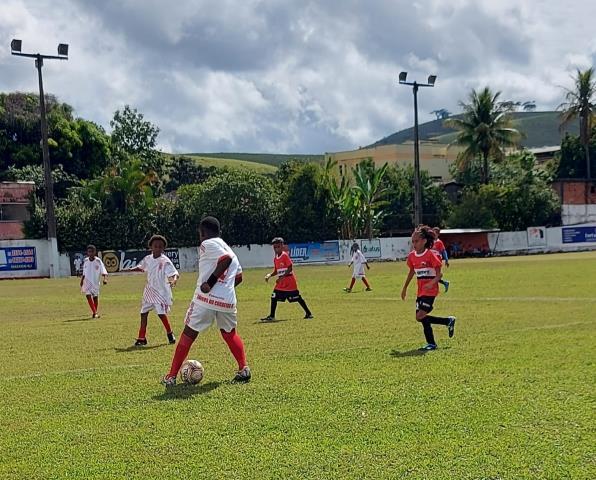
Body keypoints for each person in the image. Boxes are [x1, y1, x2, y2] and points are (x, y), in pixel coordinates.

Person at [161, 216, 250, 386]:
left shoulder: (207, 244)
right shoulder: (229, 248)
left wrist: (210, 283)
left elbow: (225, 260)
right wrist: (224, 290)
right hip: (228, 302)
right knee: (230, 334)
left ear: (202, 232)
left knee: (189, 334)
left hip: (205, 300)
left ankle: (171, 376)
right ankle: (243, 369)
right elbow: (239, 277)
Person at [401, 225, 456, 351]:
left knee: (420, 316)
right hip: (420, 291)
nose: (414, 244)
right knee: (420, 318)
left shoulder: (430, 255)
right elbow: (411, 272)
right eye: (412, 241)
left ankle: (446, 323)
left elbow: (439, 274)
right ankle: (433, 340)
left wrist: (432, 283)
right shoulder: (412, 256)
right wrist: (404, 288)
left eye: (416, 241)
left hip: (430, 291)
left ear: (424, 241)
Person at [127, 235, 179, 346]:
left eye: (160, 246)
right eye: (155, 246)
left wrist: (174, 280)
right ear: (151, 247)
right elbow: (141, 267)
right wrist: (132, 269)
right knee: (143, 313)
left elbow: (174, 273)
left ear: (163, 248)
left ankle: (170, 334)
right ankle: (142, 338)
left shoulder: (165, 261)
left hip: (161, 292)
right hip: (150, 290)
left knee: (161, 314)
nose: (157, 248)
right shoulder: (148, 259)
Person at [260, 237, 313, 322]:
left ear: (282, 246)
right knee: (274, 296)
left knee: (297, 298)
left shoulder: (284, 255)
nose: (276, 249)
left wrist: (282, 277)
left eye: (278, 247)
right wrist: (270, 275)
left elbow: (290, 268)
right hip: (281, 283)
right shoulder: (275, 258)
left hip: (289, 282)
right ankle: (272, 316)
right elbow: (277, 271)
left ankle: (309, 313)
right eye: (274, 247)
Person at [79, 245, 108, 318]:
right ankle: (95, 312)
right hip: (87, 281)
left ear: (95, 252)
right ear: (87, 252)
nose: (90, 253)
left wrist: (105, 279)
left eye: (92, 251)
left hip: (95, 282)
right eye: (89, 252)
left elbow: (103, 270)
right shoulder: (86, 260)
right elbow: (84, 272)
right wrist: (82, 280)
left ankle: (94, 312)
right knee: (88, 296)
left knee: (95, 297)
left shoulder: (98, 261)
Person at [431, 227, 450, 292]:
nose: (433, 234)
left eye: (434, 233)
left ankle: (436, 289)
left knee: (435, 275)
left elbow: (444, 251)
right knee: (431, 275)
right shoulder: (430, 241)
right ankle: (445, 283)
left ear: (438, 234)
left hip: (437, 261)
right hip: (430, 261)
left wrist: (446, 260)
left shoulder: (439, 242)